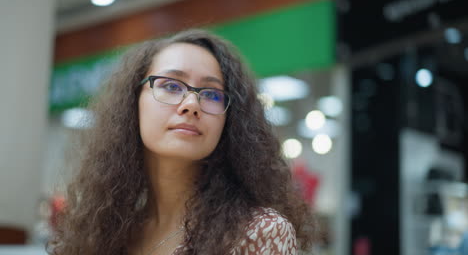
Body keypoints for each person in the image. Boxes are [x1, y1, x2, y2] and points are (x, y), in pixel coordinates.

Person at [48, 29, 318, 255]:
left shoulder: (258, 233)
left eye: (212, 94)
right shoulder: (105, 231)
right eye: (171, 86)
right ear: (133, 103)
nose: (191, 104)